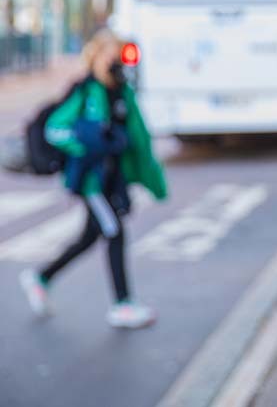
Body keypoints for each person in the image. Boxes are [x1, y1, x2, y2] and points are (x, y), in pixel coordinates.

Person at [19, 29, 168, 329]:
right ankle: (122, 304)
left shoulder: (123, 92)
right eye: (108, 54)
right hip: (91, 180)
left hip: (114, 179)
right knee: (113, 231)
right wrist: (85, 143)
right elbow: (55, 129)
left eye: (117, 54)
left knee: (89, 236)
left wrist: (153, 180)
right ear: (96, 57)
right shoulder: (84, 91)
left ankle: (41, 277)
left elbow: (139, 139)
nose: (114, 61)